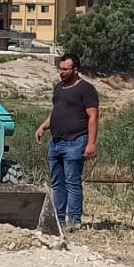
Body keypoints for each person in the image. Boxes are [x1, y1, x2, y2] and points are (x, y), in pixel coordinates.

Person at [34, 53, 98, 229]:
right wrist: (43, 126)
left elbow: (93, 117)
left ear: (75, 70)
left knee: (72, 182)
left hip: (76, 141)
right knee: (57, 183)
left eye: (65, 69)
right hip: (56, 142)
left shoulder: (86, 89)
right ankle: (59, 219)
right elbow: (56, 111)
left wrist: (91, 143)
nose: (61, 72)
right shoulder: (59, 88)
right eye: (60, 69)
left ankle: (75, 220)